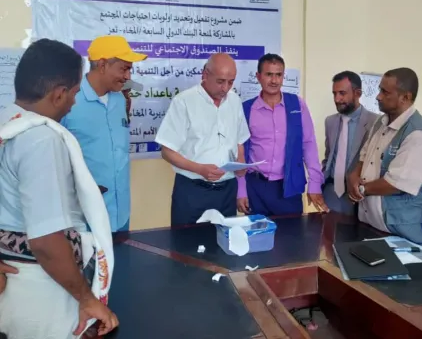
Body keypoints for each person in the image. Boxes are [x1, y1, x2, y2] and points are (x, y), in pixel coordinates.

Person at [0, 38, 118, 338]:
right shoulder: (42, 140)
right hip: (39, 287)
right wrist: (87, 299)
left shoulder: (6, 121)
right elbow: (46, 241)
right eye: (75, 93)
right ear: (59, 94)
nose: (74, 103)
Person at [347, 68, 422, 249]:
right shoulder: (380, 122)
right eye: (380, 90)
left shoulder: (418, 135)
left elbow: (395, 183)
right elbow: (364, 157)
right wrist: (354, 176)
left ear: (405, 97)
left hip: (409, 236)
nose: (378, 96)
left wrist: (360, 189)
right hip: (376, 228)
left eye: (385, 92)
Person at [61, 36, 147, 232]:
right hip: (84, 217)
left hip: (120, 214)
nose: (128, 76)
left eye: (130, 70)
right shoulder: (69, 100)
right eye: (123, 69)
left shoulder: (120, 100)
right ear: (102, 65)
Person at [155, 53, 250, 226]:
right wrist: (199, 169)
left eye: (230, 82)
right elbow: (167, 151)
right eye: (220, 81)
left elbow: (239, 140)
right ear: (204, 74)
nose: (225, 88)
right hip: (193, 191)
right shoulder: (184, 102)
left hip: (227, 191)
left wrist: (241, 161)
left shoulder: (235, 101)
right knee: (187, 241)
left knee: (225, 241)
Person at [237, 53, 327, 216]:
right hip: (255, 187)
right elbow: (239, 153)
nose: (274, 80)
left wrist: (315, 183)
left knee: (292, 231)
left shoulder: (297, 105)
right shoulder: (246, 109)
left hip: (289, 187)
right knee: (257, 232)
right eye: (269, 74)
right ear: (258, 76)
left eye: (278, 75)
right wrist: (241, 189)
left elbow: (308, 144)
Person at [322, 71, 378, 215]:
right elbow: (328, 156)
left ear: (357, 93)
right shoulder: (330, 122)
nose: (337, 99)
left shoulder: (376, 123)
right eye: (334, 93)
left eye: (342, 93)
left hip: (360, 196)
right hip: (331, 193)